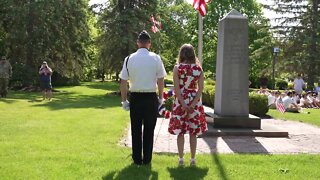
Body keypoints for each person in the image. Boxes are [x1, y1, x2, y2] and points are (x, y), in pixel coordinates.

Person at [119, 30, 167, 166]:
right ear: (149, 44)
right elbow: (161, 79)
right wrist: (161, 97)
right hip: (150, 96)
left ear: (138, 43)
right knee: (149, 129)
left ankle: (137, 159)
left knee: (135, 129)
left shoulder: (129, 58)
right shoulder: (156, 58)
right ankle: (147, 159)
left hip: (135, 97)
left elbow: (123, 82)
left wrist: (124, 100)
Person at [168, 44, 207, 166]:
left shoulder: (177, 68)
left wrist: (183, 104)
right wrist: (193, 104)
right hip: (194, 101)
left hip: (180, 102)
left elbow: (177, 89)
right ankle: (193, 159)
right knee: (193, 132)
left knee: (180, 131)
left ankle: (180, 159)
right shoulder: (198, 69)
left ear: (181, 54)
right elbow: (200, 89)